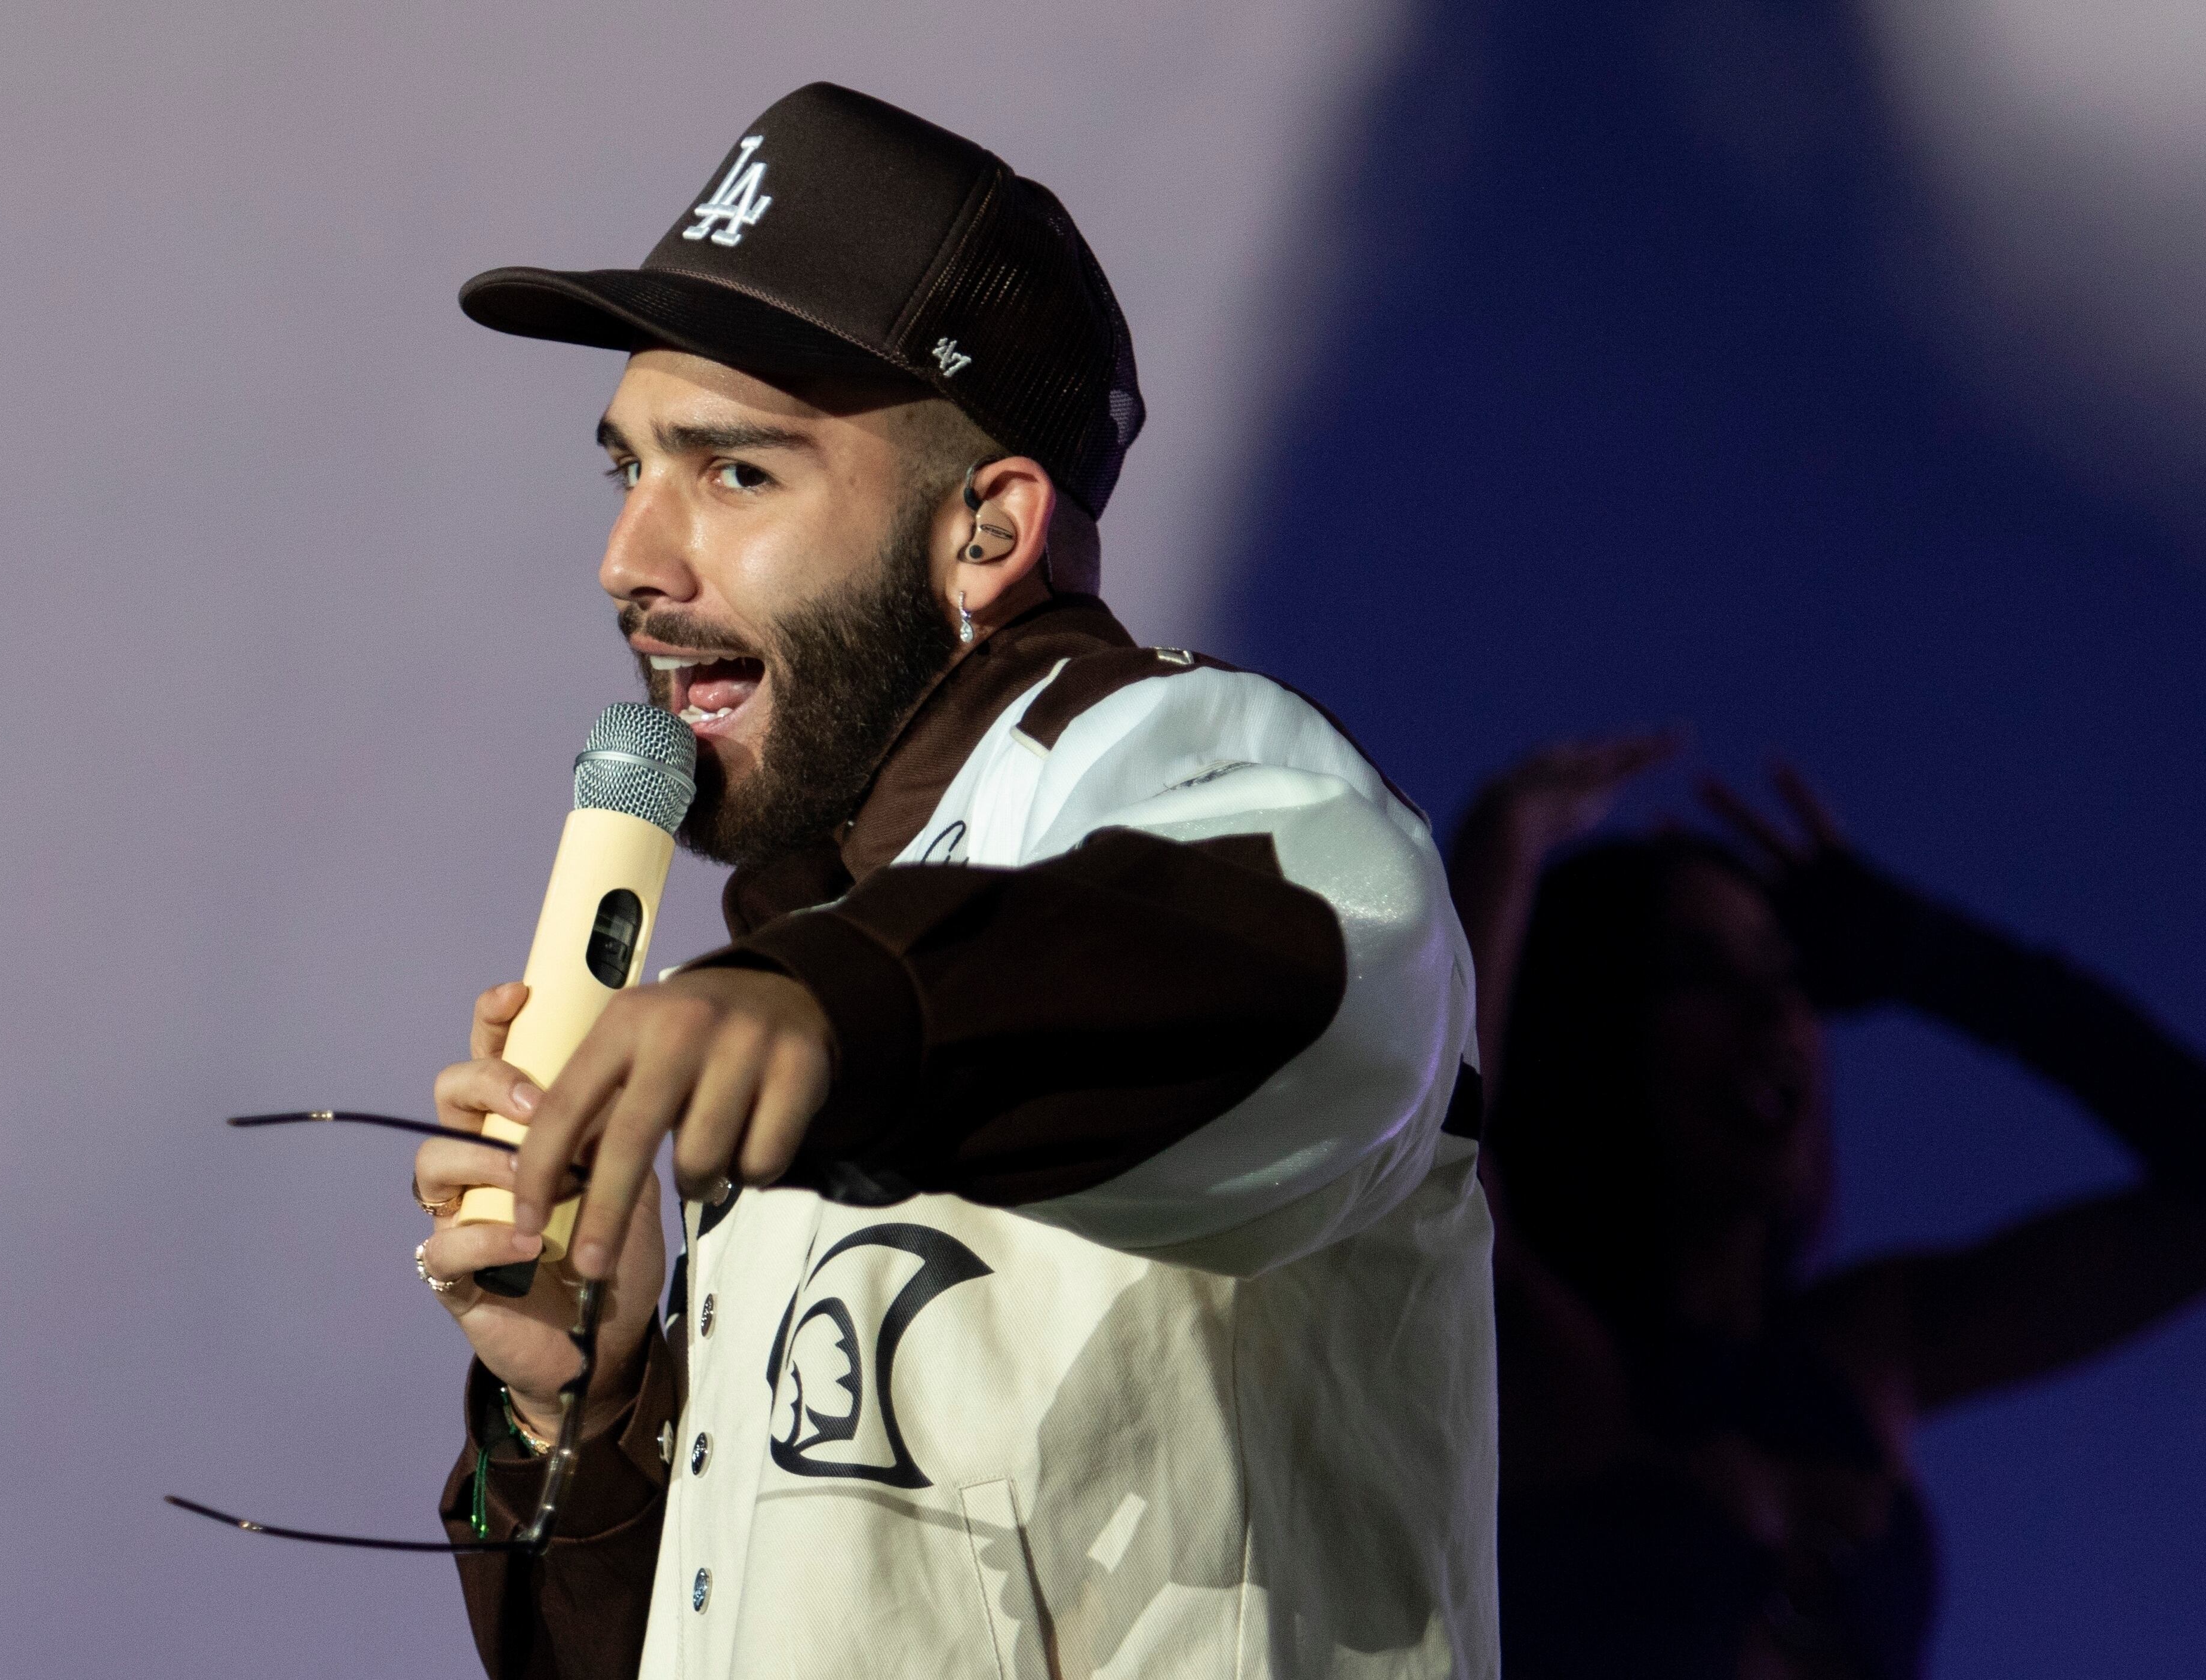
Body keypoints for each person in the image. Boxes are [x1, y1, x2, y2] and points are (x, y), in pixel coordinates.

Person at [401, 84, 1493, 1680]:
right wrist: (592, 1396)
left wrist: (836, 1006)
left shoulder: (1173, 762)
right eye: (627, 467)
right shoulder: (812, 988)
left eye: (733, 475)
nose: (630, 556)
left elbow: (1335, 975)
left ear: (986, 529)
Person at [1447, 737, 2206, 1680]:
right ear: (1592, 1030)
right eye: (1696, 973)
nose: (1770, 1014)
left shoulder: (1866, 1346)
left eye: (1788, 974)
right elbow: (1428, 1178)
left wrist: (1934, 957)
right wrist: (1503, 849)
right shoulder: (1514, 1334)